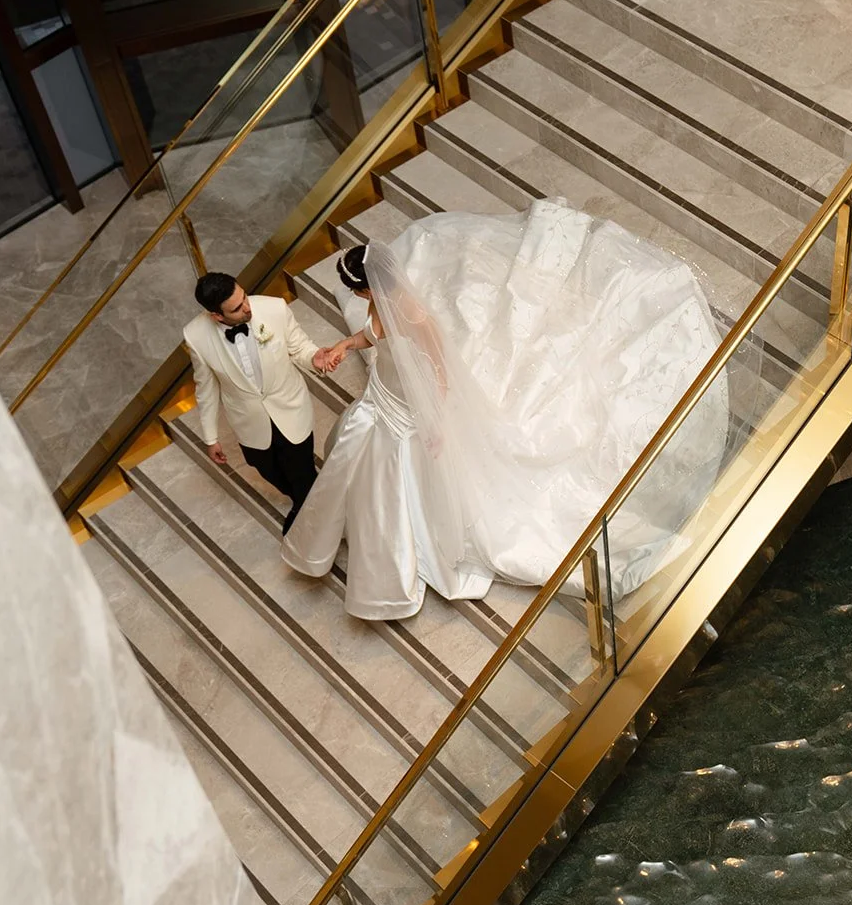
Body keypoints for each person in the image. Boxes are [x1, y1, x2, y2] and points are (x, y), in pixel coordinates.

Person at [282, 199, 741, 620]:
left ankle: (404, 547)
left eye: (358, 293)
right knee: (364, 452)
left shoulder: (414, 316)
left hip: (409, 401)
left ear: (369, 287)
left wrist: (436, 414)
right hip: (384, 394)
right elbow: (372, 334)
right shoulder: (380, 306)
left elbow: (439, 367)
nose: (361, 301)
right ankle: (362, 524)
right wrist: (345, 344)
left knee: (398, 468)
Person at [184, 271, 320, 535]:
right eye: (237, 308)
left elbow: (300, 348)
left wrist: (315, 358)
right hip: (248, 421)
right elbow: (206, 389)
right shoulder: (195, 335)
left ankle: (312, 525)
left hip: (290, 408)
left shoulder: (274, 309)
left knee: (302, 471)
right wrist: (210, 437)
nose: (248, 307)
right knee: (266, 469)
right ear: (217, 316)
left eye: (244, 297)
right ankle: (305, 503)